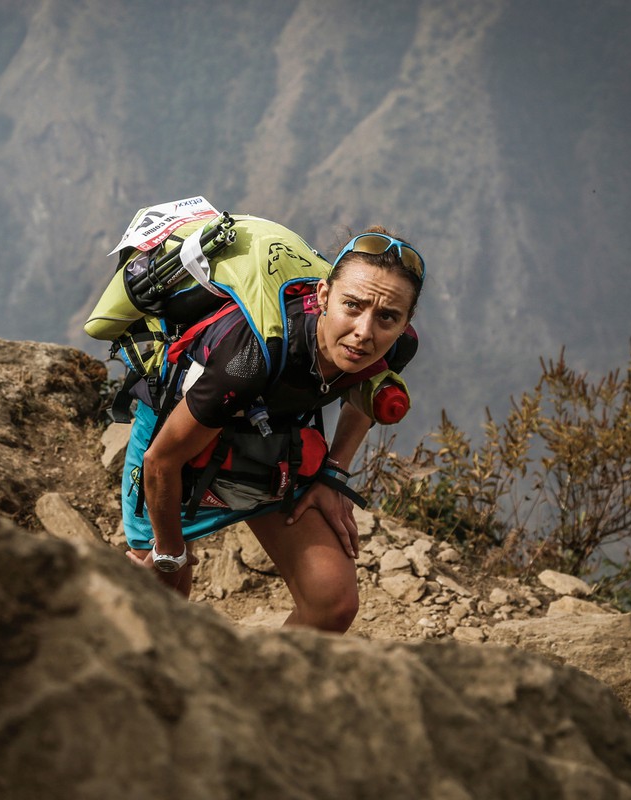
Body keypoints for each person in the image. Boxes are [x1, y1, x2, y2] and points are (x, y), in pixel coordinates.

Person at [122, 223, 425, 633]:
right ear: (323, 296)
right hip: (179, 452)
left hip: (274, 446)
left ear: (405, 322)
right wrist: (169, 555)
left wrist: (334, 473)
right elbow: (161, 461)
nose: (365, 333)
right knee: (161, 606)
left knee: (331, 602)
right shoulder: (251, 360)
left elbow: (371, 389)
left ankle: (265, 691)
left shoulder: (398, 345)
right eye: (352, 306)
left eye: (387, 317)